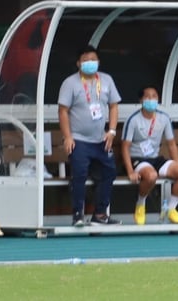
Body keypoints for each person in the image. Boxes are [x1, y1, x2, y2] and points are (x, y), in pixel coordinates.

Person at [57, 45, 121, 226]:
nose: (90, 63)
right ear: (78, 63)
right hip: (79, 140)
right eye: (85, 60)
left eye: (93, 60)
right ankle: (78, 214)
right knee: (80, 174)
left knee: (109, 172)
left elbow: (114, 106)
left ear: (99, 62)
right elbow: (63, 111)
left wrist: (112, 131)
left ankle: (100, 214)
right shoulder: (70, 83)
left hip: (101, 139)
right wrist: (67, 136)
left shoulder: (107, 80)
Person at [120, 86, 178, 226]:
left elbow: (171, 144)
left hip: (156, 159)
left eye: (154, 97)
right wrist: (130, 171)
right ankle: (140, 204)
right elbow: (125, 147)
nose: (151, 100)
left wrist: (176, 164)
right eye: (147, 97)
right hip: (138, 159)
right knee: (151, 176)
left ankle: (171, 209)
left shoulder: (164, 118)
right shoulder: (133, 120)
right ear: (141, 100)